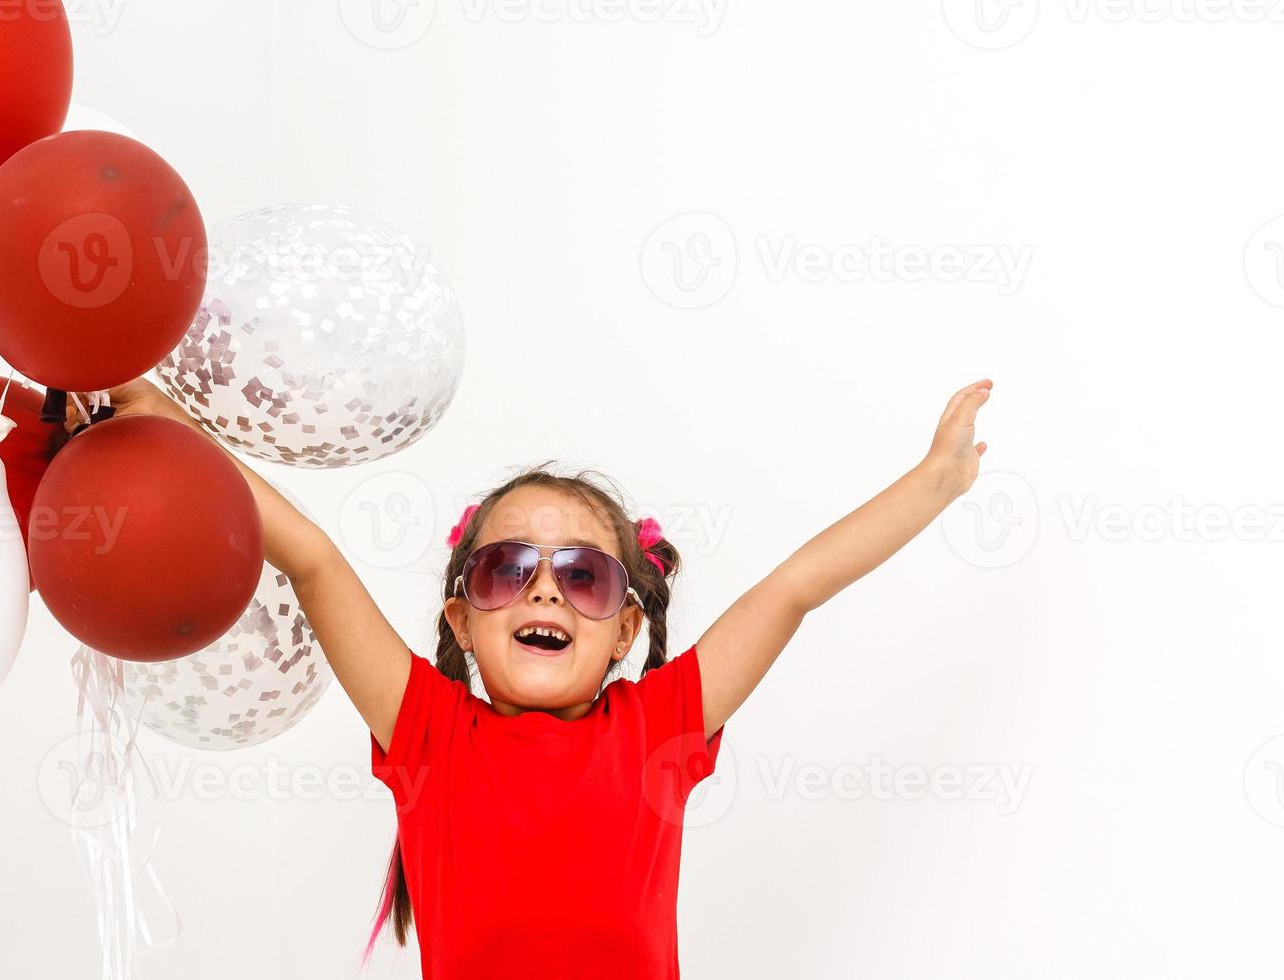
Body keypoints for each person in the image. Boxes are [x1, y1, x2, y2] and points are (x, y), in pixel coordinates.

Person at [98, 378, 995, 978]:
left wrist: (935, 482)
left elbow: (794, 590)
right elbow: (314, 562)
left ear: (624, 631)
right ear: (462, 617)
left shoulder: (660, 727)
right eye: (507, 569)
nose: (544, 590)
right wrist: (152, 411)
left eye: (583, 575)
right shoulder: (429, 732)